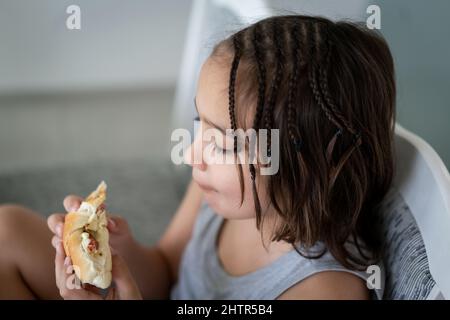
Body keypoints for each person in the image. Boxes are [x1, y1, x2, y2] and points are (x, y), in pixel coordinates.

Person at [0, 14, 395, 299]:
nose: (192, 155)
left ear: (305, 162)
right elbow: (166, 271)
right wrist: (123, 254)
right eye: (198, 124)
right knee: (8, 231)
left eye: (221, 143)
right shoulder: (218, 194)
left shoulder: (321, 290)